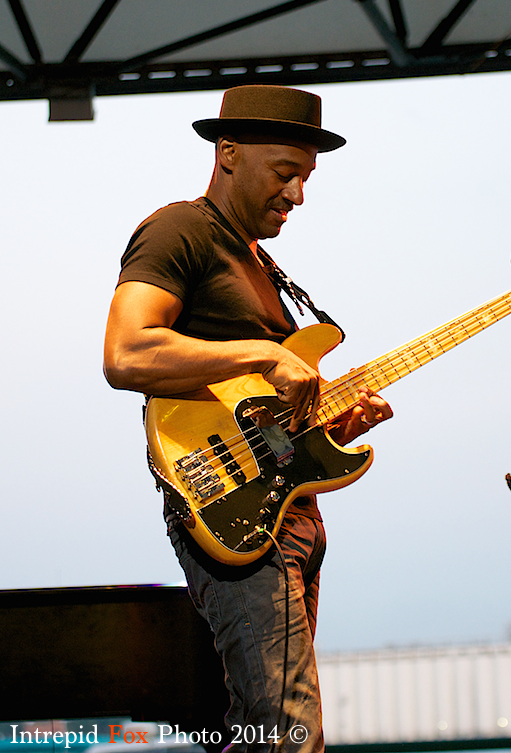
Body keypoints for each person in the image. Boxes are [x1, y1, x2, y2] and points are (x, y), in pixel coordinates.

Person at [103, 85, 392, 752]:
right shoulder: (179, 229)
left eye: (305, 179)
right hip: (231, 511)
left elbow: (262, 416)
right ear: (228, 153)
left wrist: (329, 424)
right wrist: (266, 354)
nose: (296, 195)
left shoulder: (262, 267)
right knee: (285, 736)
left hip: (285, 514)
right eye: (285, 173)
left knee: (263, 732)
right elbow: (126, 351)